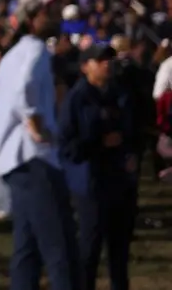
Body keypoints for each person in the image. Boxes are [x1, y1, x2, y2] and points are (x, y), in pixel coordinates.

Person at [0, 2, 80, 290]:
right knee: (59, 248)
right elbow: (24, 87)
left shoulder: (10, 56)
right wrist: (33, 120)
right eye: (45, 13)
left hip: (16, 160)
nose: (53, 17)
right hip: (34, 158)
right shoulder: (35, 50)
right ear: (30, 21)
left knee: (27, 249)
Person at [58, 44, 136, 290]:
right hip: (91, 183)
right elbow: (68, 147)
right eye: (100, 60)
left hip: (121, 181)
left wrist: (132, 151)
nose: (107, 64)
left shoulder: (120, 93)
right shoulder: (77, 99)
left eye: (109, 59)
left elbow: (134, 129)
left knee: (120, 251)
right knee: (90, 249)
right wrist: (99, 143)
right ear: (85, 67)